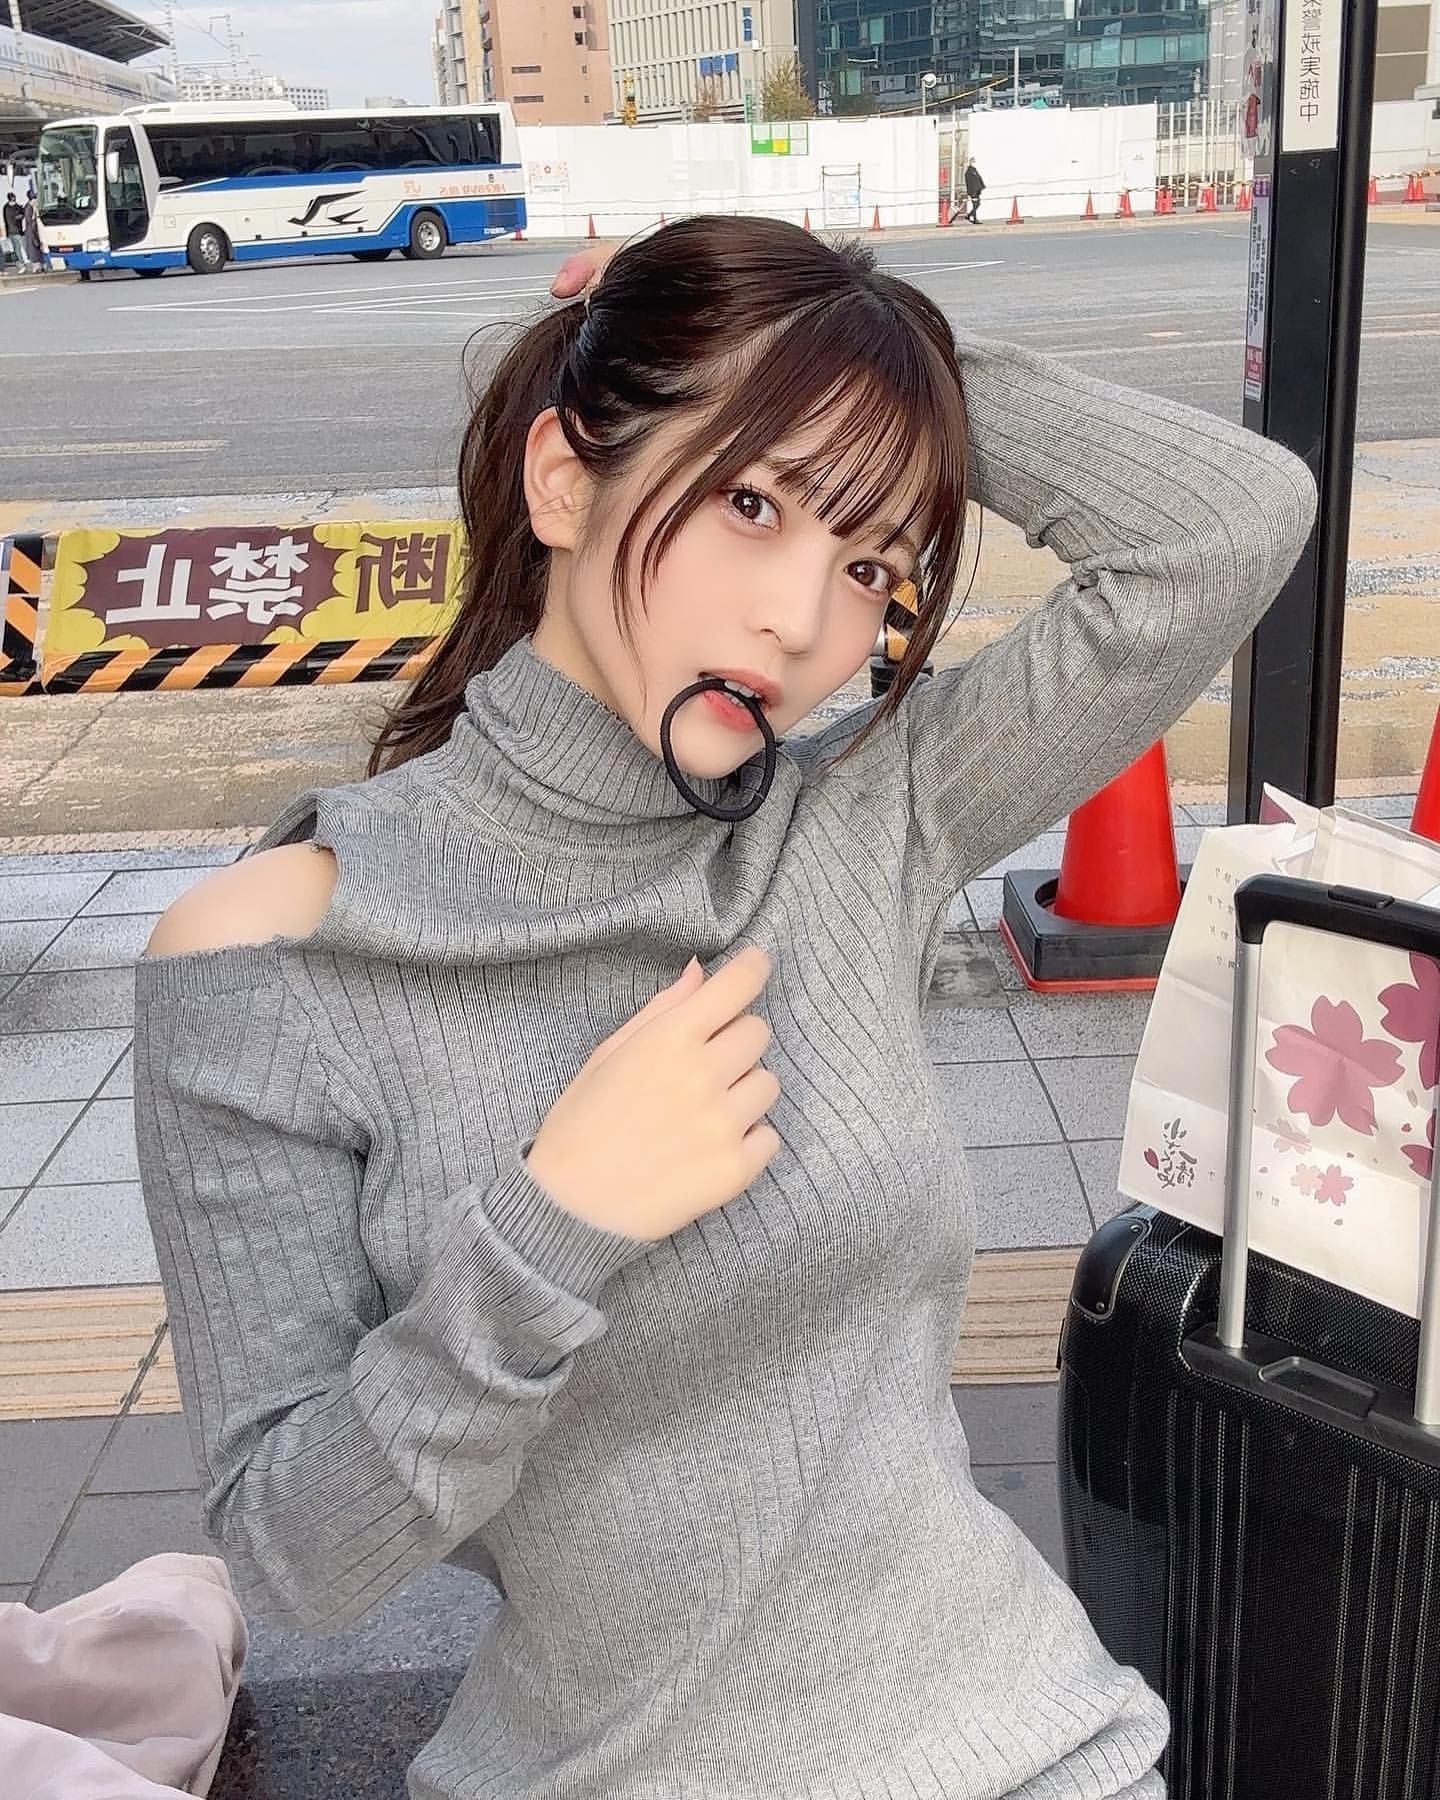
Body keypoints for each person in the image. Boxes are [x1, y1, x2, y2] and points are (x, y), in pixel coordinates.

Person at [134, 215, 1315, 1799]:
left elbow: (1231, 523)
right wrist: (553, 1226)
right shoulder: (270, 959)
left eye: (871, 563)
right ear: (565, 482)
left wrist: (880, 349)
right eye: (751, 503)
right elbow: (296, 1560)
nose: (804, 622)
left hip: (1022, 1740)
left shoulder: (865, 820)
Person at [3, 190, 30, 268]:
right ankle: (21, 262)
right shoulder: (9, 207)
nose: (14, 200)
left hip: (14, 231)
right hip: (13, 231)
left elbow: (22, 216)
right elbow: (6, 219)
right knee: (16, 248)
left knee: (17, 248)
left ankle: (21, 262)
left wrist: (20, 217)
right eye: (13, 198)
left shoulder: (13, 207)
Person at [963, 158, 986, 223]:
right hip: (973, 191)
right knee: (975, 204)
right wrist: (972, 192)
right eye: (973, 161)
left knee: (977, 204)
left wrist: (981, 187)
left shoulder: (974, 170)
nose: (974, 162)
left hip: (976, 190)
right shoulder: (969, 172)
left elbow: (978, 179)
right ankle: (974, 219)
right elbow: (970, 183)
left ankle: (969, 216)